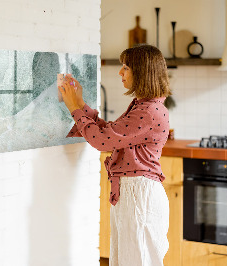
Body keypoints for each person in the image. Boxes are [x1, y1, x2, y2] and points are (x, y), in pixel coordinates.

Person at [59, 44, 171, 266]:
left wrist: (74, 108)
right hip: (134, 193)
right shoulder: (144, 106)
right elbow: (110, 133)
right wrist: (80, 103)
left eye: (126, 67)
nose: (120, 72)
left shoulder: (148, 111)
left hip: (139, 195)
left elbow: (102, 141)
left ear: (142, 72)